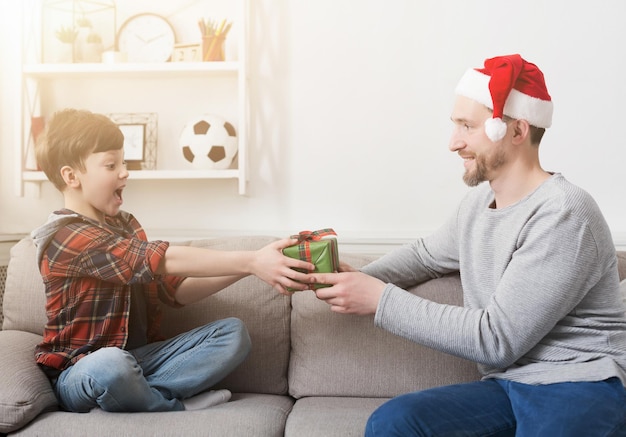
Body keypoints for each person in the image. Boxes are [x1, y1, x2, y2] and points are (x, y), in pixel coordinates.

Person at [308, 54, 626, 435]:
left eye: (467, 126)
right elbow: (424, 256)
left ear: (517, 131)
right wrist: (354, 280)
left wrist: (379, 299)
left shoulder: (564, 214)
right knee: (394, 423)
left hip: (579, 383)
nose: (453, 143)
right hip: (508, 385)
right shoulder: (477, 205)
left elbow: (496, 339)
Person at [31, 108, 315, 413]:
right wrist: (250, 260)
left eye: (123, 162)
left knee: (233, 334)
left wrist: (252, 268)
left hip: (140, 360)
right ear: (71, 176)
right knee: (110, 364)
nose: (124, 172)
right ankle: (170, 406)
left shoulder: (125, 226)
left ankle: (136, 395)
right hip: (82, 371)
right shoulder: (64, 236)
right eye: (111, 164)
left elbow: (174, 290)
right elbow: (158, 260)